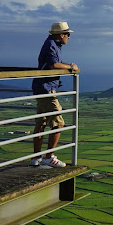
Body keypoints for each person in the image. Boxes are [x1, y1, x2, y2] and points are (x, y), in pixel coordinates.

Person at [31, 22, 80, 167]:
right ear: (62, 35)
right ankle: (49, 157)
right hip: (46, 89)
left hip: (41, 87)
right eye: (68, 35)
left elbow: (55, 62)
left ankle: (36, 157)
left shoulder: (52, 44)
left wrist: (68, 65)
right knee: (59, 123)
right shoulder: (52, 44)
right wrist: (71, 67)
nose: (69, 38)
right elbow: (54, 65)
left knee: (42, 122)